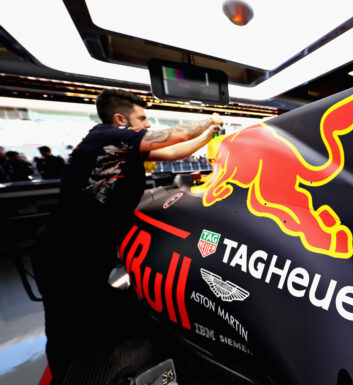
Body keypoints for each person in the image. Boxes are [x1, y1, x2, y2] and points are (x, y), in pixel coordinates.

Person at [30, 88, 223, 383]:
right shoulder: (105, 135)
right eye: (142, 118)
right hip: (63, 250)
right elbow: (174, 136)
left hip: (89, 250)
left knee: (94, 309)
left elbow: (174, 151)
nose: (146, 124)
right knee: (62, 328)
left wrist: (211, 132)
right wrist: (207, 118)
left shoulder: (126, 148)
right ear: (121, 119)